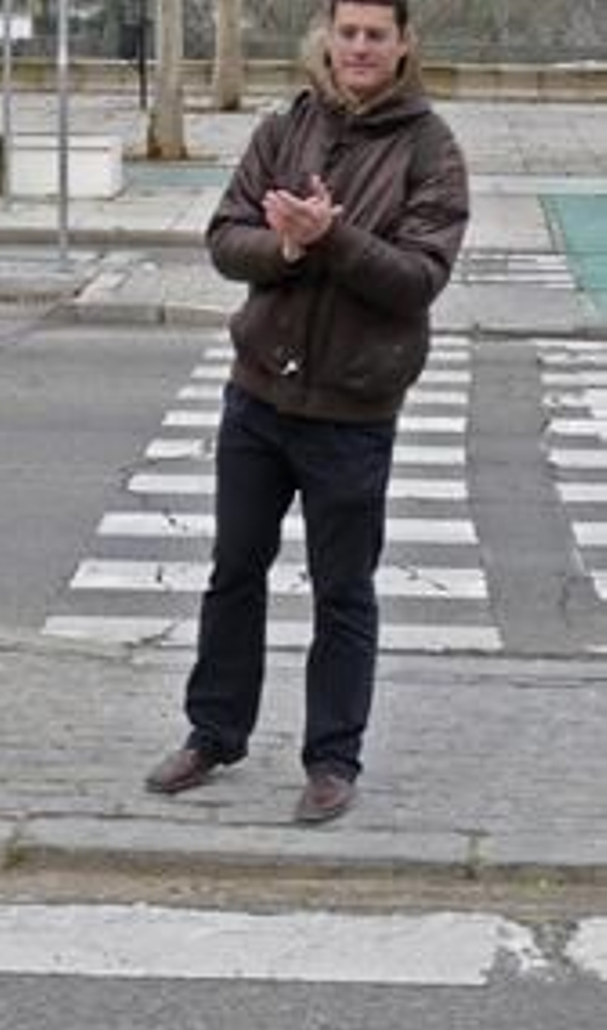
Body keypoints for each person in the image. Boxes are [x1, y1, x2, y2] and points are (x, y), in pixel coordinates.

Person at [143, 0, 468, 825]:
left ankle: (332, 759)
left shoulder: (431, 148)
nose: (358, 48)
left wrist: (331, 237)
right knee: (233, 572)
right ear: (327, 37)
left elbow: (418, 279)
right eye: (346, 33)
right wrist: (284, 247)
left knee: (343, 591)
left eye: (375, 35)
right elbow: (224, 239)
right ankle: (213, 733)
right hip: (258, 394)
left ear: (403, 45)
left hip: (353, 410)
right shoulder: (286, 126)